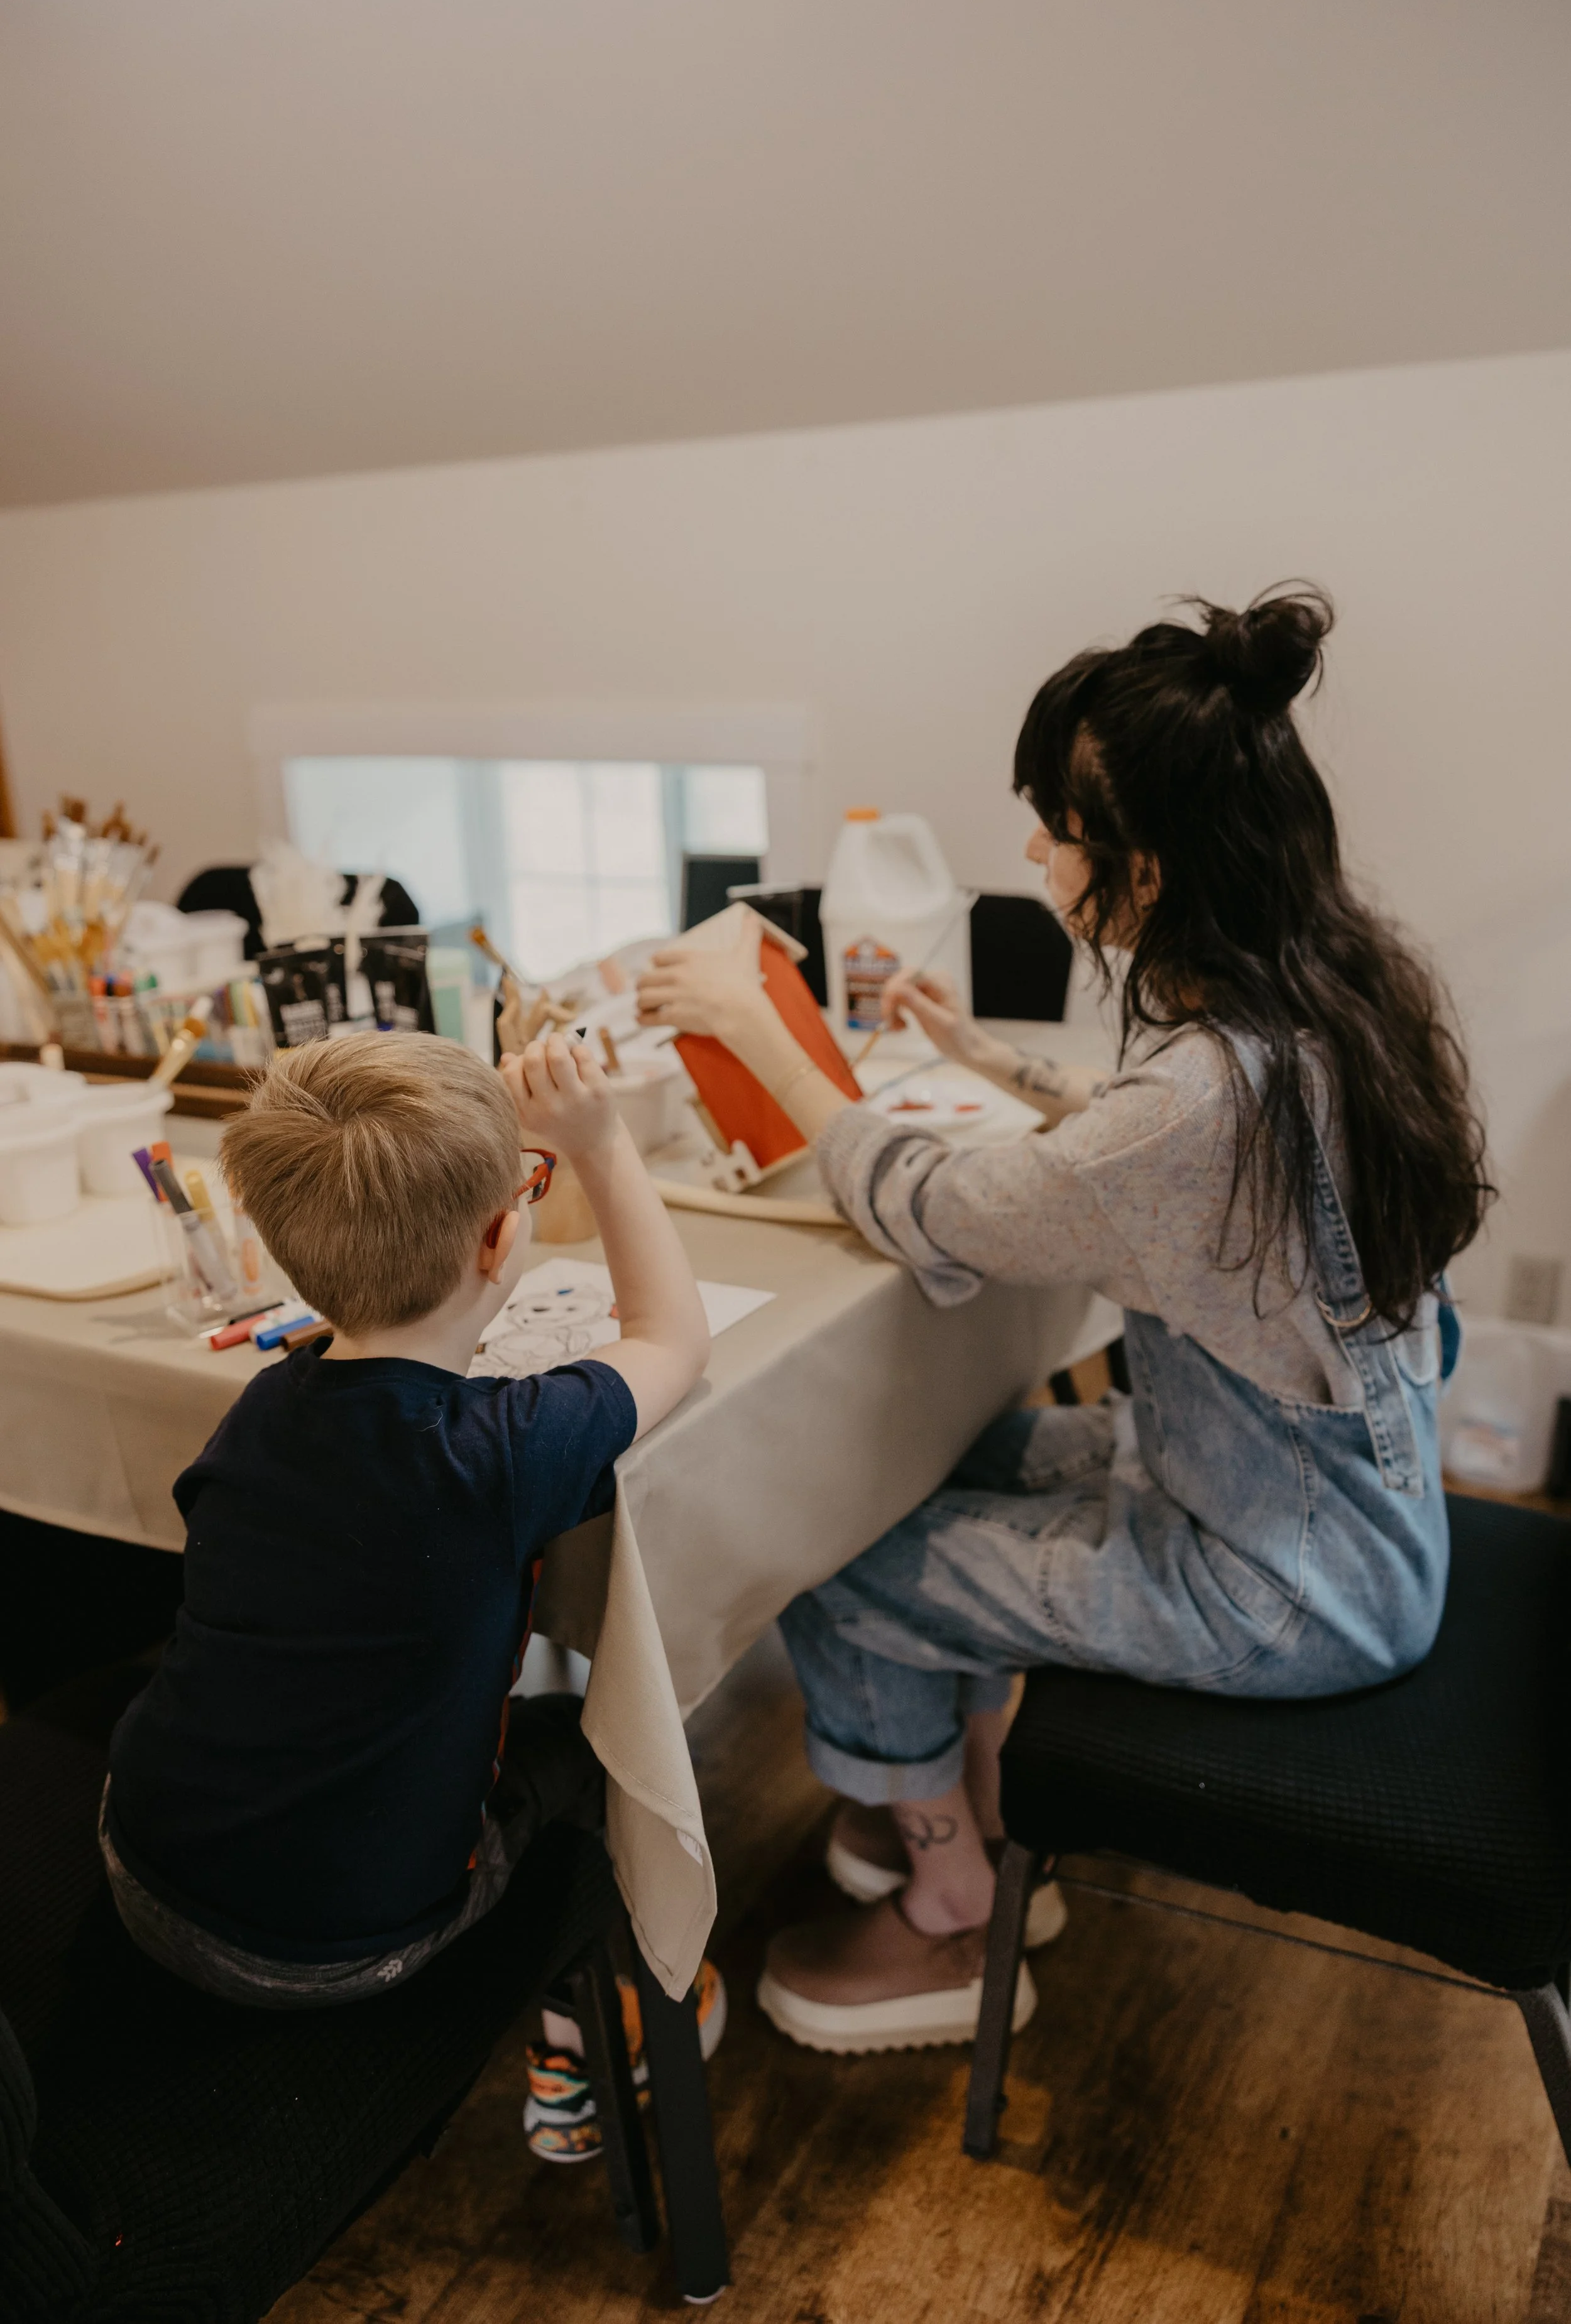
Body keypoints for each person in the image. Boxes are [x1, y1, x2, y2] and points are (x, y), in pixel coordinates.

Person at [636, 585, 1490, 2054]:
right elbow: (1139, 1157)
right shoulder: (1331, 993)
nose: (1033, 852)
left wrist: (765, 1034)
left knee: (829, 1542)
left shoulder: (1197, 1098)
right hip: (1345, 1520)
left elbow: (940, 1209)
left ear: (1142, 869)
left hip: (1286, 1586)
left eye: (1053, 823)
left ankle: (953, 1906)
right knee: (933, 1463)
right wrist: (983, 1058)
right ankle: (951, 1803)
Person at [100, 1027, 716, 2157]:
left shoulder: (264, 1410)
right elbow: (675, 1334)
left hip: (142, 1863)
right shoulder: (498, 1450)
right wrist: (599, 1138)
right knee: (602, 1750)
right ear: (502, 1238)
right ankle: (588, 2034)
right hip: (343, 1952)